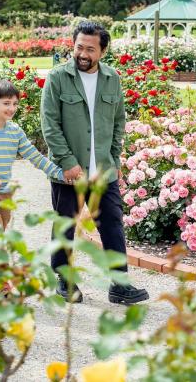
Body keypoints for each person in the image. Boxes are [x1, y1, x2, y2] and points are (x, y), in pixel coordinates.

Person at [41, 20, 149, 305]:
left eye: (90, 49)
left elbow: (118, 121)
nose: (83, 54)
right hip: (69, 172)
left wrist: (113, 158)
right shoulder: (57, 78)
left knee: (112, 225)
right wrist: (67, 161)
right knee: (65, 224)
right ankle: (64, 280)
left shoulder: (112, 78)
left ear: (102, 51)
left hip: (103, 169)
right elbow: (49, 124)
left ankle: (120, 284)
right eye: (79, 47)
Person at [0, 79, 66, 229]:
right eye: (7, 103)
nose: (12, 108)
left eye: (15, 104)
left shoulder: (15, 131)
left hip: (5, 192)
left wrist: (60, 173)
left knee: (0, 234)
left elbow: (35, 156)